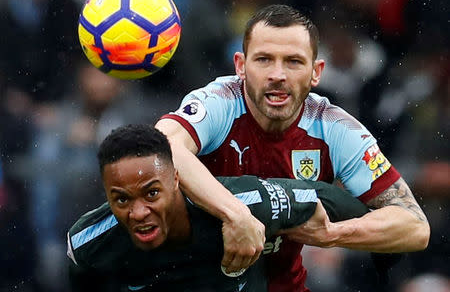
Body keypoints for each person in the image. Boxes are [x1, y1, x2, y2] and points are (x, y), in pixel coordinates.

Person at [155, 4, 430, 291]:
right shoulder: (220, 101)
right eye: (263, 59)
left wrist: (330, 234)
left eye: (294, 62)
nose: (278, 74)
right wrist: (235, 215)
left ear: (316, 72)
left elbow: (415, 226)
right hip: (188, 281)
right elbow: (163, 146)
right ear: (240, 66)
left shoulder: (334, 127)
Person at [68, 123, 374, 291]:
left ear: (177, 179)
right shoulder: (88, 244)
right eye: (121, 199)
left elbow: (327, 199)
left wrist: (344, 238)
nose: (137, 213)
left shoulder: (248, 203)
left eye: (151, 194)